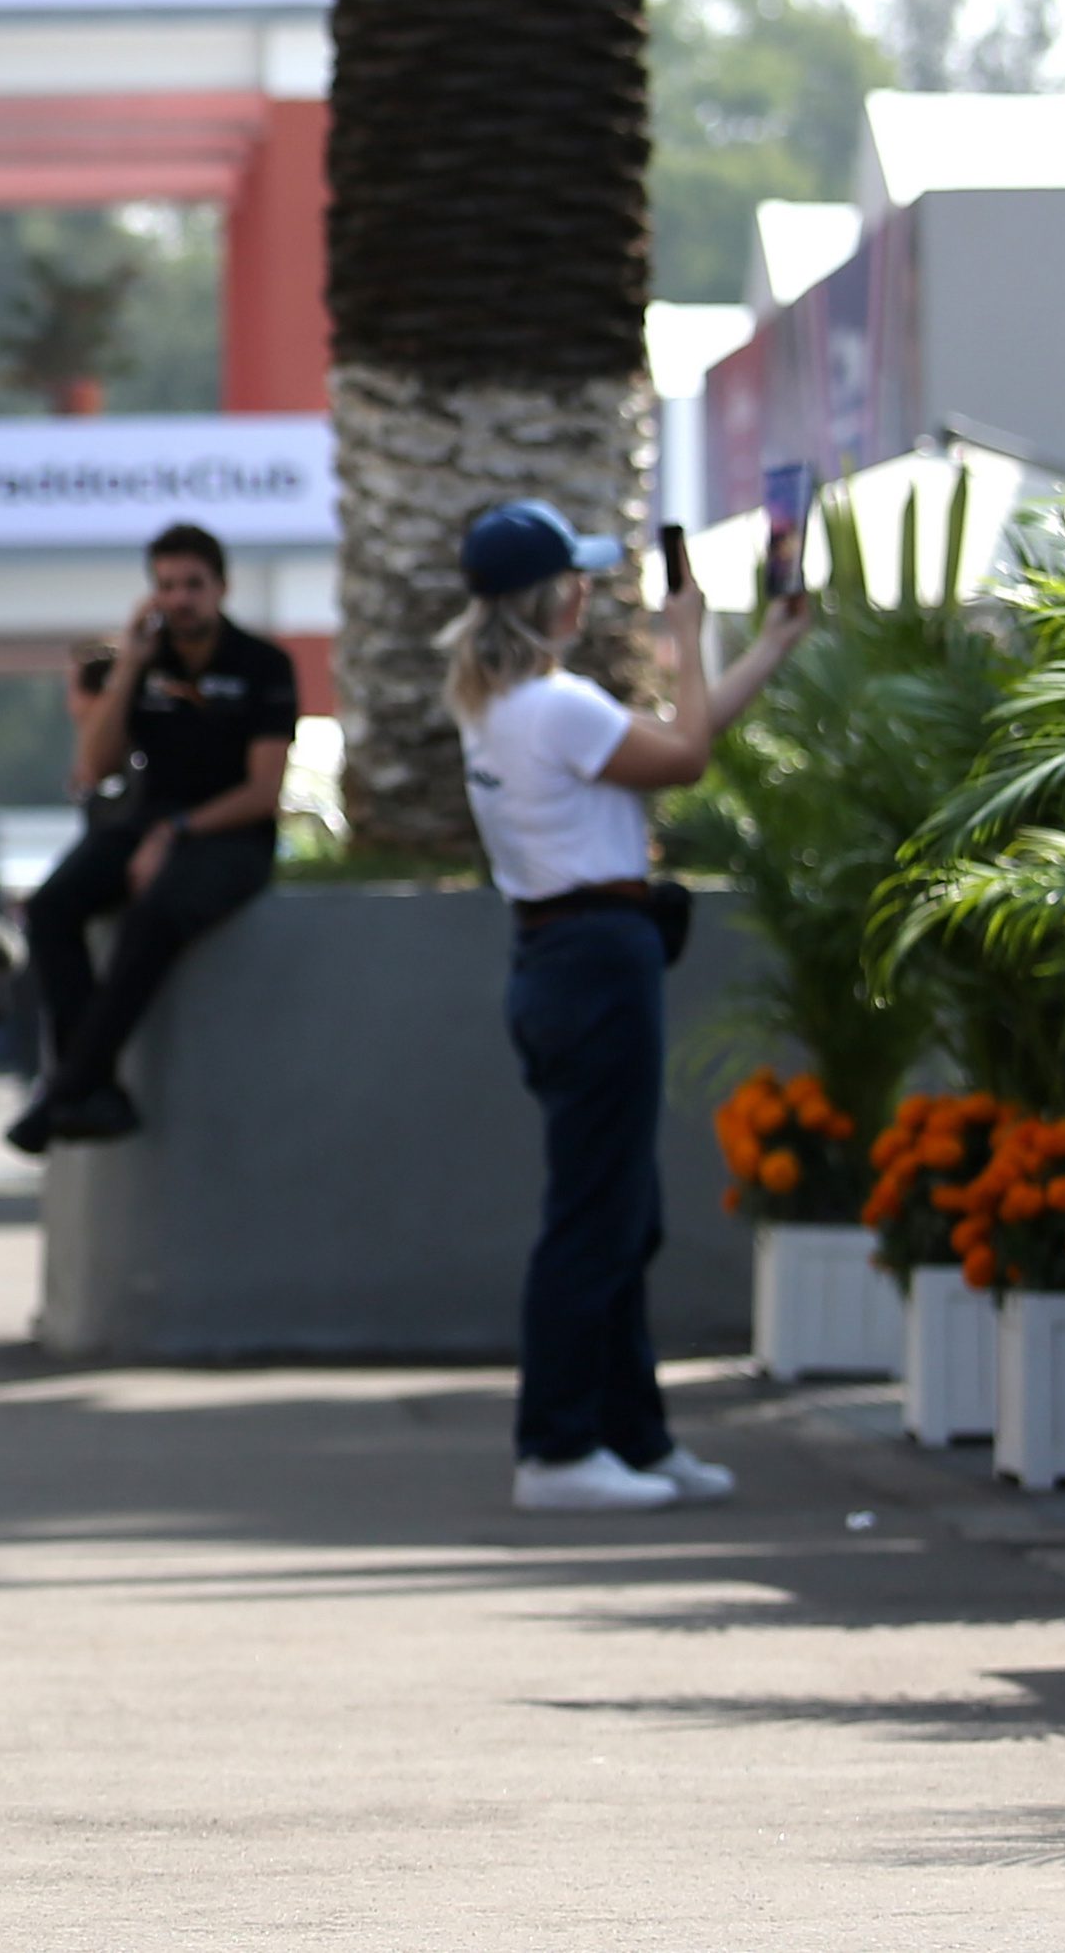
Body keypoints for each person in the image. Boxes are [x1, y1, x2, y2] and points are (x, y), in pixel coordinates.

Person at [444, 499, 805, 1513]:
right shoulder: (553, 705)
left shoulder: (510, 702)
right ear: (549, 596)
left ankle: (631, 1435)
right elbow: (686, 756)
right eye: (578, 578)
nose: (591, 593)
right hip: (593, 955)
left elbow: (673, 740)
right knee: (594, 1215)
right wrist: (688, 637)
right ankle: (559, 1446)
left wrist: (765, 647)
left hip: (571, 952)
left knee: (619, 1209)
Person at [11, 523, 297, 1152]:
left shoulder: (263, 665)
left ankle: (64, 1091)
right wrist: (130, 667)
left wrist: (176, 831)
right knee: (53, 907)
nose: (180, 599)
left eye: (193, 585)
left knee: (155, 916)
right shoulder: (144, 665)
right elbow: (93, 768)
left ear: (220, 588)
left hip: (228, 835)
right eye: (166, 586)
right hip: (147, 824)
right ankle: (91, 1088)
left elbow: (262, 791)